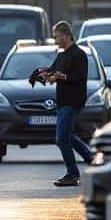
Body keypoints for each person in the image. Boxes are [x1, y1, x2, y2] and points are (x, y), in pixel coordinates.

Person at [42, 21, 94, 187]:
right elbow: (51, 71)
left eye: (57, 37)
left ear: (65, 36)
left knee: (62, 139)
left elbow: (79, 77)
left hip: (73, 101)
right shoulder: (62, 54)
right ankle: (92, 159)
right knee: (67, 136)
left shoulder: (78, 54)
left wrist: (61, 76)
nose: (56, 40)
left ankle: (72, 174)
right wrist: (43, 75)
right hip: (62, 101)